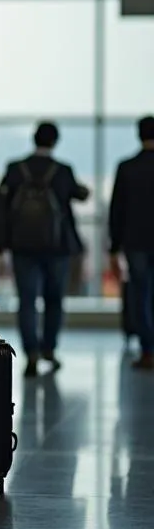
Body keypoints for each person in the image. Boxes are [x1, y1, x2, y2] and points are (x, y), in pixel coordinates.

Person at [0, 121, 90, 377]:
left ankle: (31, 353)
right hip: (57, 247)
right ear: (55, 141)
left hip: (23, 246)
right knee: (54, 300)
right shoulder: (62, 171)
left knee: (27, 300)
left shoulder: (15, 169)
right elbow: (80, 194)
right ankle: (50, 349)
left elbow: (0, 208)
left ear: (34, 139)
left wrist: (1, 243)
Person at [109, 115, 154, 370]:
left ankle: (148, 350)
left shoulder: (127, 167)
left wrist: (114, 248)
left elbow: (118, 210)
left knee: (142, 295)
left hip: (135, 242)